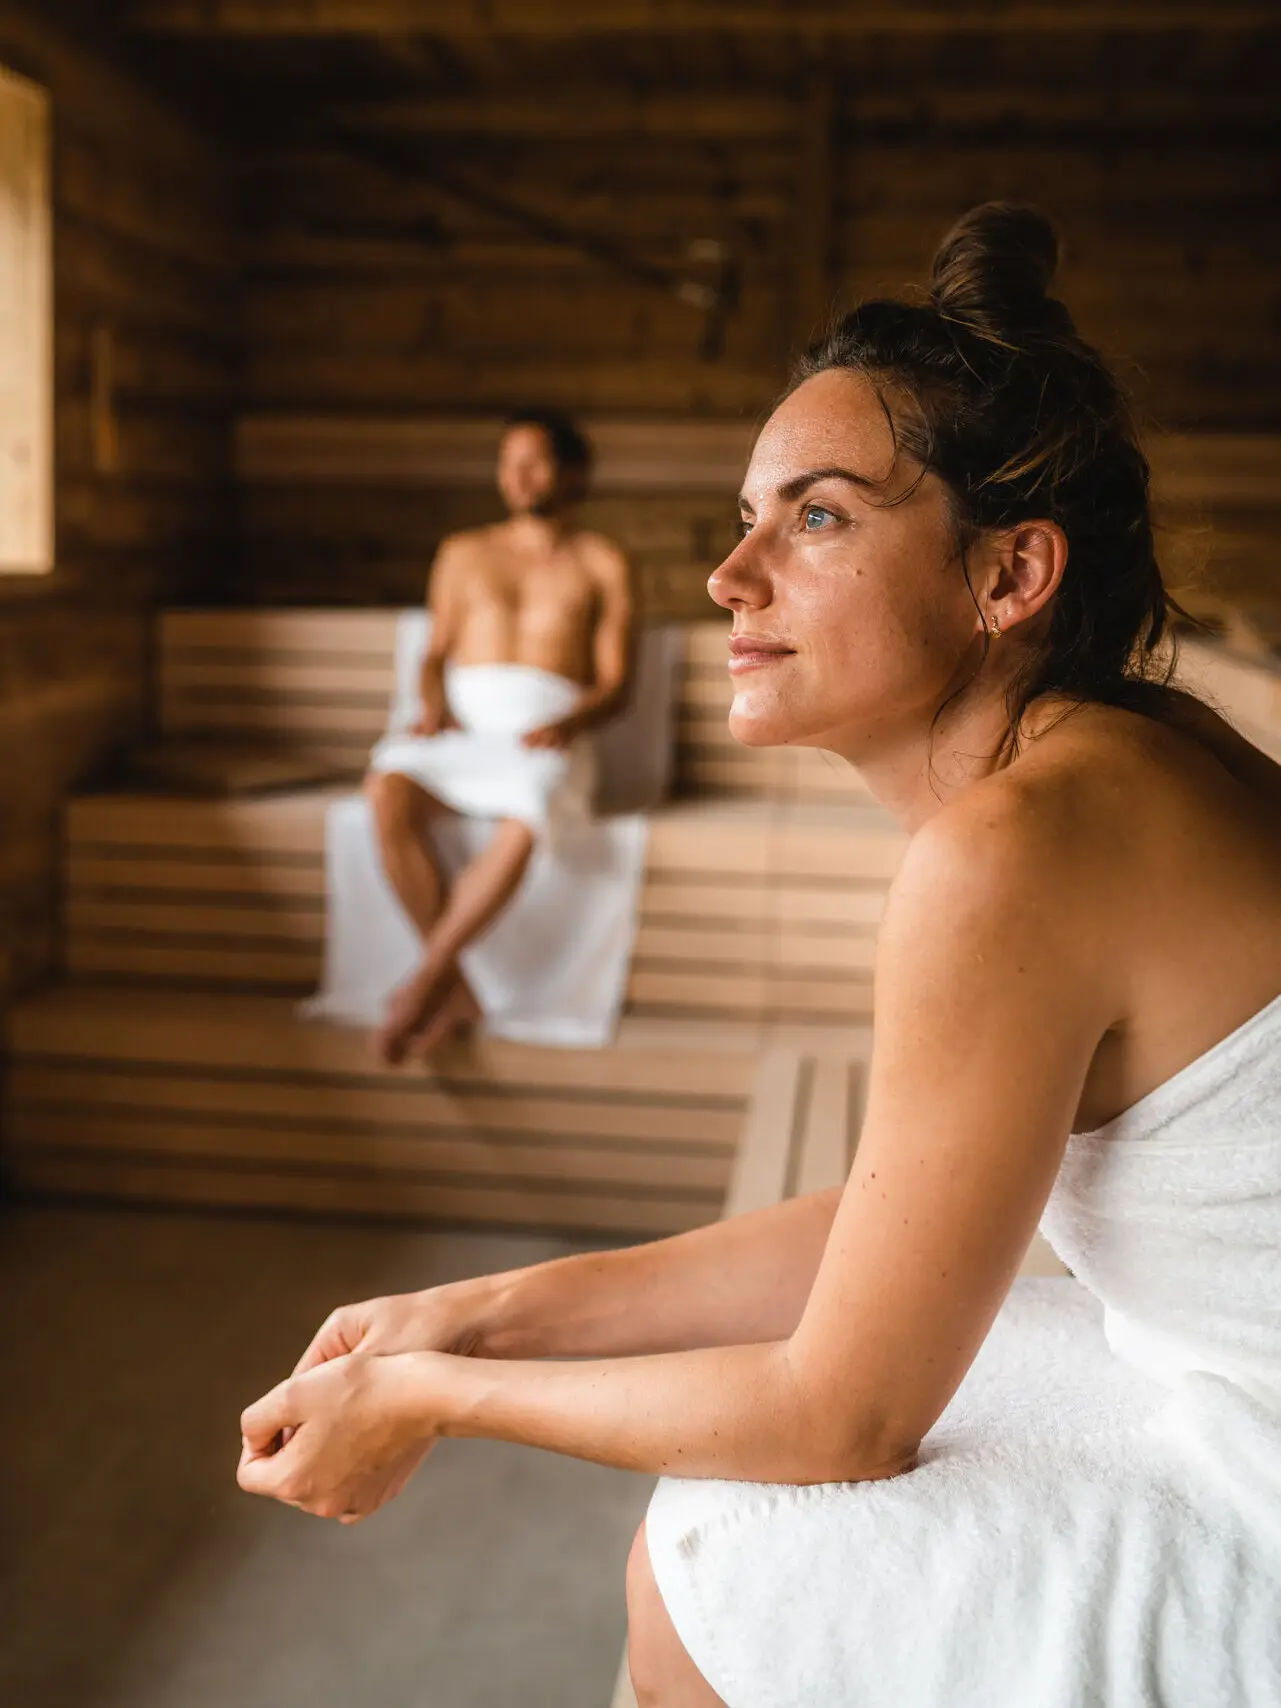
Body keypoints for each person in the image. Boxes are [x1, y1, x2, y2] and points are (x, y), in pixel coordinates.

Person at [237, 206, 1281, 1706]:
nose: (731, 579)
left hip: (1249, 1452)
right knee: (715, 1536)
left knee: (715, 1561)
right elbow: (886, 1227)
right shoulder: (1120, 754)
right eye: (744, 516)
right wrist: (474, 1307)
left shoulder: (1013, 853)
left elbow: (841, 1415)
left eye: (817, 517)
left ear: (1009, 577)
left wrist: (432, 1396)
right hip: (1216, 1366)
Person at [363, 410, 634, 1062]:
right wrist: (431, 705)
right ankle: (450, 985)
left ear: (572, 474)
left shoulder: (601, 561)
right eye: (508, 462)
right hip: (461, 723)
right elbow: (433, 655)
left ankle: (423, 982)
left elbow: (616, 684)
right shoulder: (462, 552)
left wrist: (568, 723)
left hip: (546, 728)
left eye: (535, 462)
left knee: (528, 807)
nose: (517, 477)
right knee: (386, 788)